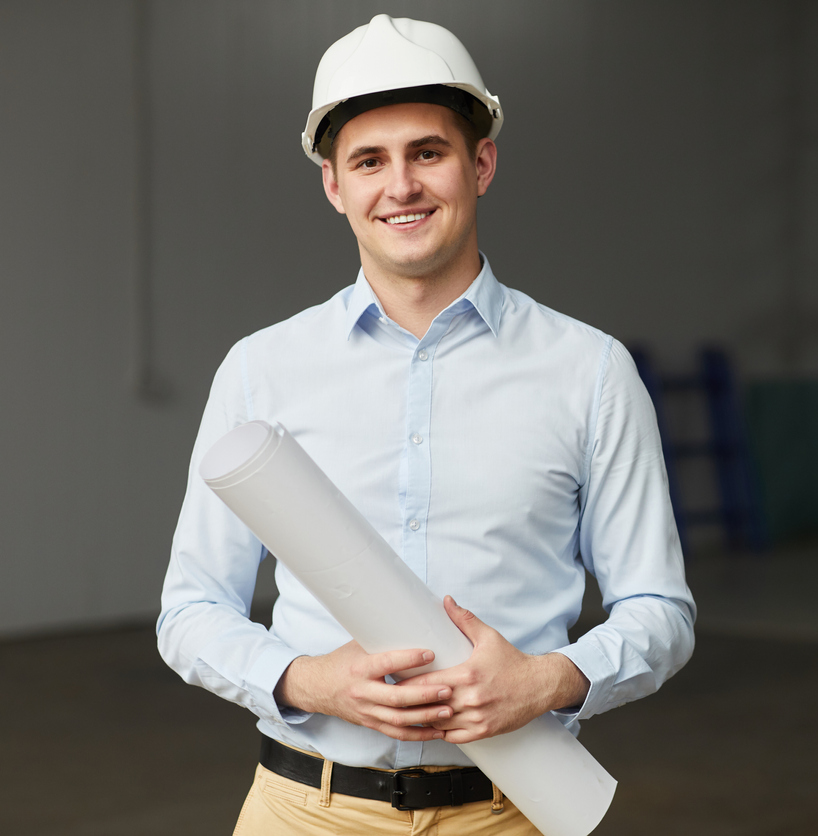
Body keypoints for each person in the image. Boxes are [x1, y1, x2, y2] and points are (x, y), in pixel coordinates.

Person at [157, 15, 695, 836]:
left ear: (480, 165)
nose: (400, 186)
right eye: (369, 161)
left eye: (428, 153)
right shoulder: (262, 370)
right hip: (305, 811)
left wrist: (548, 681)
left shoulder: (589, 372)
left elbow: (659, 609)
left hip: (511, 812)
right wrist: (307, 681)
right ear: (334, 186)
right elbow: (191, 612)